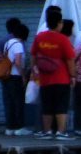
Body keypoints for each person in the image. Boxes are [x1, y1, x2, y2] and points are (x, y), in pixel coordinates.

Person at [31, 8, 76, 139]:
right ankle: (61, 132)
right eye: (61, 22)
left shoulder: (39, 38)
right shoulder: (63, 39)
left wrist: (34, 69)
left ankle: (47, 131)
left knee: (47, 106)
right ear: (58, 23)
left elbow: (33, 55)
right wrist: (73, 75)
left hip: (45, 78)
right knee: (61, 106)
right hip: (62, 78)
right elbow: (70, 59)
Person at [1, 23, 30, 136]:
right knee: (18, 102)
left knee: (9, 102)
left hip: (6, 77)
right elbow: (18, 62)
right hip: (15, 77)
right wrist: (23, 75)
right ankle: (20, 127)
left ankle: (10, 127)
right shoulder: (18, 44)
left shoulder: (8, 43)